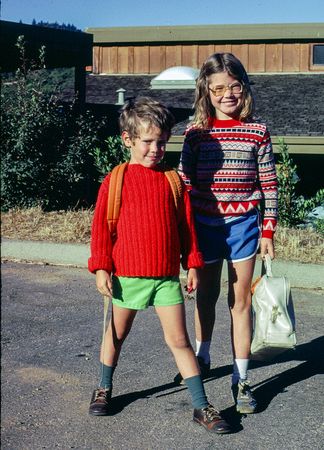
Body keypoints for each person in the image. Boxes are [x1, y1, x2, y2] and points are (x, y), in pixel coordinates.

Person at [88, 97, 231, 434]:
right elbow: (101, 229)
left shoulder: (172, 179)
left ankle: (201, 406)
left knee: (180, 341)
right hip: (127, 277)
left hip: (167, 278)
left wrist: (192, 263)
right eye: (148, 142)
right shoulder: (117, 178)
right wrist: (102, 268)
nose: (156, 149)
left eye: (162, 142)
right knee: (117, 333)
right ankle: (104, 387)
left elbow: (186, 226)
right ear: (128, 140)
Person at [177, 53, 278, 414]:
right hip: (203, 228)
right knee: (205, 297)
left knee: (240, 304)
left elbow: (269, 184)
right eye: (218, 87)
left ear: (244, 87)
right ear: (206, 90)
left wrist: (268, 230)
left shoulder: (258, 131)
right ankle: (202, 359)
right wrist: (184, 234)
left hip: (244, 229)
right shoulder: (194, 134)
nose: (227, 94)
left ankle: (242, 378)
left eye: (234, 86)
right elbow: (184, 186)